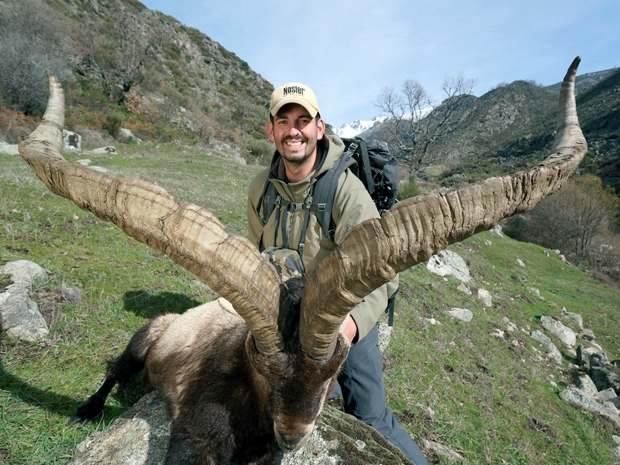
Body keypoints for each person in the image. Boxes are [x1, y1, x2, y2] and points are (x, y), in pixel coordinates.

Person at [247, 82, 428, 465]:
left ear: (318, 127)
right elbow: (256, 262)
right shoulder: (261, 190)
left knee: (370, 414)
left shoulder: (345, 192)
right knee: (276, 413)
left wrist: (350, 327)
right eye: (284, 121)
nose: (293, 130)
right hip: (288, 326)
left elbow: (384, 273)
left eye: (302, 120)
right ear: (271, 130)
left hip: (346, 320)